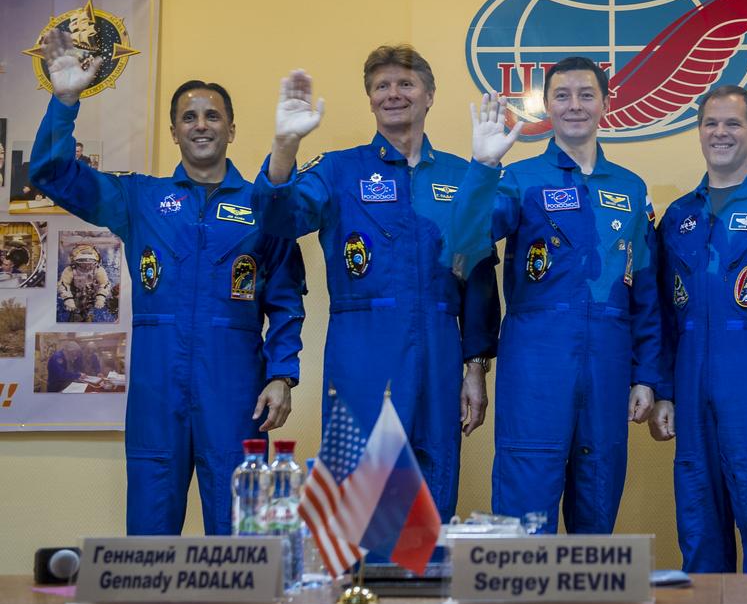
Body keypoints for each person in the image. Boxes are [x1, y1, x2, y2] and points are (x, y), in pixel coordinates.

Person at [30, 29, 305, 535]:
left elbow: (286, 301)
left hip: (236, 382)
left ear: (231, 129)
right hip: (159, 379)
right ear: (174, 131)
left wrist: (282, 375)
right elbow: (50, 174)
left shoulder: (264, 204)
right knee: (151, 530)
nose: (201, 125)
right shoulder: (139, 200)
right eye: (189, 117)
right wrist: (65, 100)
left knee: (244, 530)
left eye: (212, 115)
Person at [258, 46, 500, 522]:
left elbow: (479, 272)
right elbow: (279, 219)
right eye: (381, 86)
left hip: (439, 344)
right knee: (360, 481)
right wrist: (285, 147)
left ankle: (425, 591)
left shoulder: (460, 174)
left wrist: (475, 366)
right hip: (362, 346)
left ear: (430, 95)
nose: (394, 94)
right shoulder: (337, 170)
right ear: (369, 99)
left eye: (406, 84)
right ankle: (358, 592)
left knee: (434, 475)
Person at [456, 56, 662, 533]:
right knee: (525, 510)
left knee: (598, 500)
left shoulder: (630, 189)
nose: (574, 106)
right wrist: (484, 166)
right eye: (562, 96)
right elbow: (466, 245)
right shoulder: (519, 179)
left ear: (607, 103)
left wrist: (647, 375)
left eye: (586, 95)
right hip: (536, 362)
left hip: (609, 366)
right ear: (546, 105)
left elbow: (646, 293)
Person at [647, 86, 747, 573]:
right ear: (698, 131)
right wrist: (663, 390)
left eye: (733, 123)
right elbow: (661, 312)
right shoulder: (679, 215)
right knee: (698, 526)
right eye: (710, 123)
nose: (720, 133)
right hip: (692, 384)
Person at [56, 243, 112, 322]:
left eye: (90, 263)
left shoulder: (99, 270)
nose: (86, 266)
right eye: (82, 263)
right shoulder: (70, 270)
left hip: (92, 293)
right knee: (75, 314)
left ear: (95, 262)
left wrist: (101, 297)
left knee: (90, 313)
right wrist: (68, 298)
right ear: (75, 262)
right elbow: (63, 284)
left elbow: (105, 284)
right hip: (75, 293)